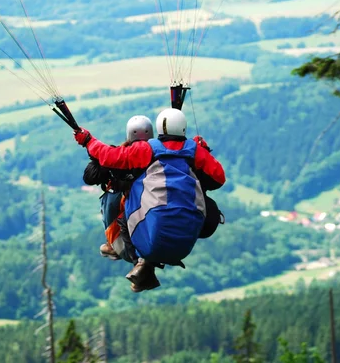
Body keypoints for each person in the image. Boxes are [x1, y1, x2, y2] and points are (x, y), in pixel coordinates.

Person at [74, 108, 226, 292]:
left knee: (125, 214)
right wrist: (203, 152)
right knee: (207, 204)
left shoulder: (146, 149)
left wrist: (88, 140)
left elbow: (108, 156)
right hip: (186, 237)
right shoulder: (194, 151)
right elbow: (218, 177)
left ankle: (139, 260)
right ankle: (144, 262)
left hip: (154, 224)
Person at [81, 115, 154, 262]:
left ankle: (115, 245)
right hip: (152, 204)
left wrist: (97, 156)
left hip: (127, 208)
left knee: (115, 200)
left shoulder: (118, 155)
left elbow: (89, 177)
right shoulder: (160, 153)